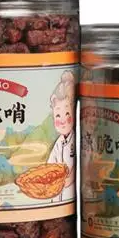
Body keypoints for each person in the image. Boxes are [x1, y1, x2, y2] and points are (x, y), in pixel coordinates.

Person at [47, 71, 76, 202]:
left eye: (67, 113)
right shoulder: (58, 143)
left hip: (68, 194)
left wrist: (69, 178)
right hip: (56, 195)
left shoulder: (76, 139)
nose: (63, 120)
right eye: (58, 115)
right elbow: (49, 166)